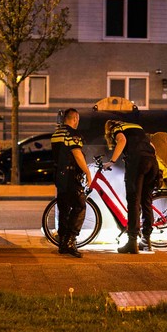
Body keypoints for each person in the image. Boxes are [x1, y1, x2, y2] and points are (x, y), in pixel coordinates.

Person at [104, 120, 159, 253]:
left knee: (134, 201)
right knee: (146, 202)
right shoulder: (137, 127)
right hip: (152, 163)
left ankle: (132, 242)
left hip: (137, 162)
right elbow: (152, 146)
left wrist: (112, 161)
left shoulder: (117, 129)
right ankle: (146, 241)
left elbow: (122, 140)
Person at [51, 108, 92, 258]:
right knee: (80, 205)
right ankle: (70, 240)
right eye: (77, 120)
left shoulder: (56, 134)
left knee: (64, 209)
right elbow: (77, 154)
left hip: (58, 176)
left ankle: (63, 244)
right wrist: (87, 172)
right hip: (70, 175)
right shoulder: (72, 134)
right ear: (74, 118)